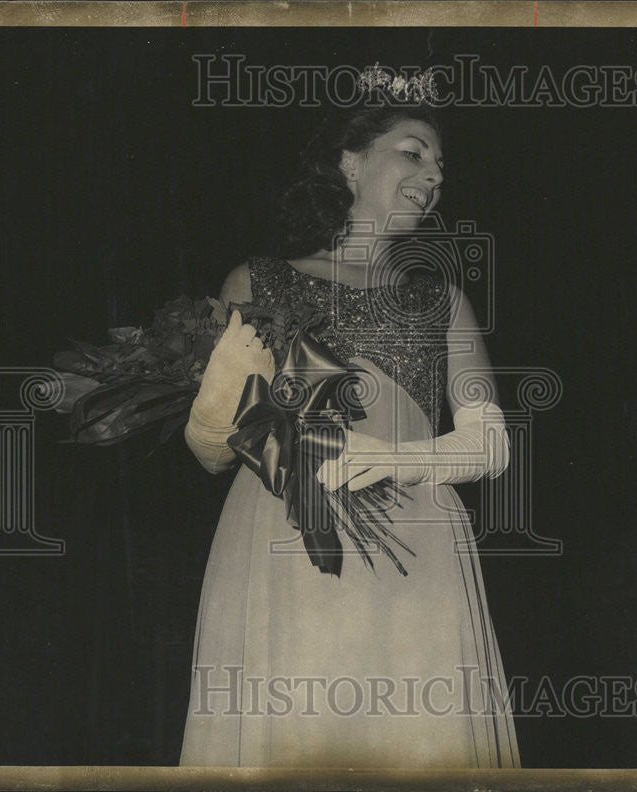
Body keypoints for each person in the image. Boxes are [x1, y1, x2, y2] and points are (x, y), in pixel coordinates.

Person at [178, 85, 521, 768]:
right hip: (283, 531)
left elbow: (491, 442)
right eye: (413, 152)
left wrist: (392, 458)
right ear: (351, 164)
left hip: (413, 535)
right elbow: (215, 450)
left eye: (441, 166)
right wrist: (210, 420)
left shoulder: (438, 297)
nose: (433, 175)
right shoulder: (257, 281)